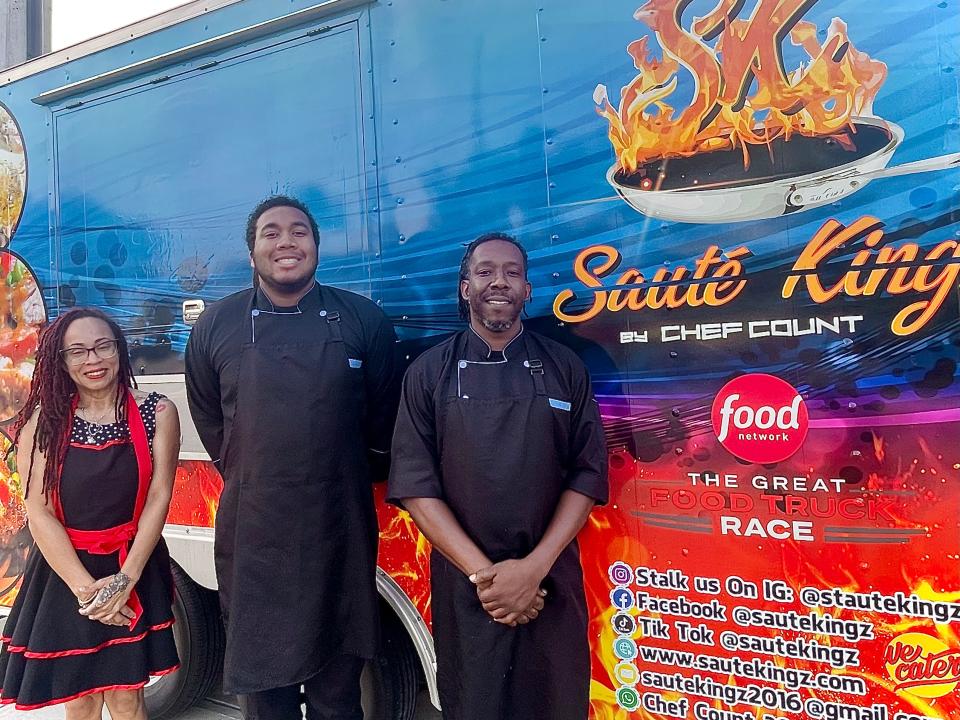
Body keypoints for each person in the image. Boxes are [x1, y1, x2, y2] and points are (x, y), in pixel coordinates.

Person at [185, 195, 398, 719]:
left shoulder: (363, 319)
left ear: (317, 246)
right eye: (271, 233)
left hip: (339, 529)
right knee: (264, 693)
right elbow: (213, 423)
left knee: (337, 689)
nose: (286, 242)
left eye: (299, 232)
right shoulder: (216, 325)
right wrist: (258, 470)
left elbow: (385, 417)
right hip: (255, 534)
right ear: (253, 250)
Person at [387, 233, 609, 720]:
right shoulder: (427, 373)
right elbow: (416, 487)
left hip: (550, 581)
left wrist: (531, 570)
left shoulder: (564, 367)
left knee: (556, 704)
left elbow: (588, 475)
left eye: (512, 272)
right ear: (465, 287)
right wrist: (486, 579)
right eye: (485, 271)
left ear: (528, 290)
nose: (499, 282)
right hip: (469, 588)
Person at [0, 307, 181, 717]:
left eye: (103, 347)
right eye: (77, 351)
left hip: (132, 564)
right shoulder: (44, 423)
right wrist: (88, 590)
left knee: (126, 695)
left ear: (120, 349)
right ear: (61, 362)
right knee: (80, 698)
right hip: (66, 572)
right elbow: (39, 511)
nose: (93, 360)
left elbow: (159, 497)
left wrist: (124, 580)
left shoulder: (158, 412)